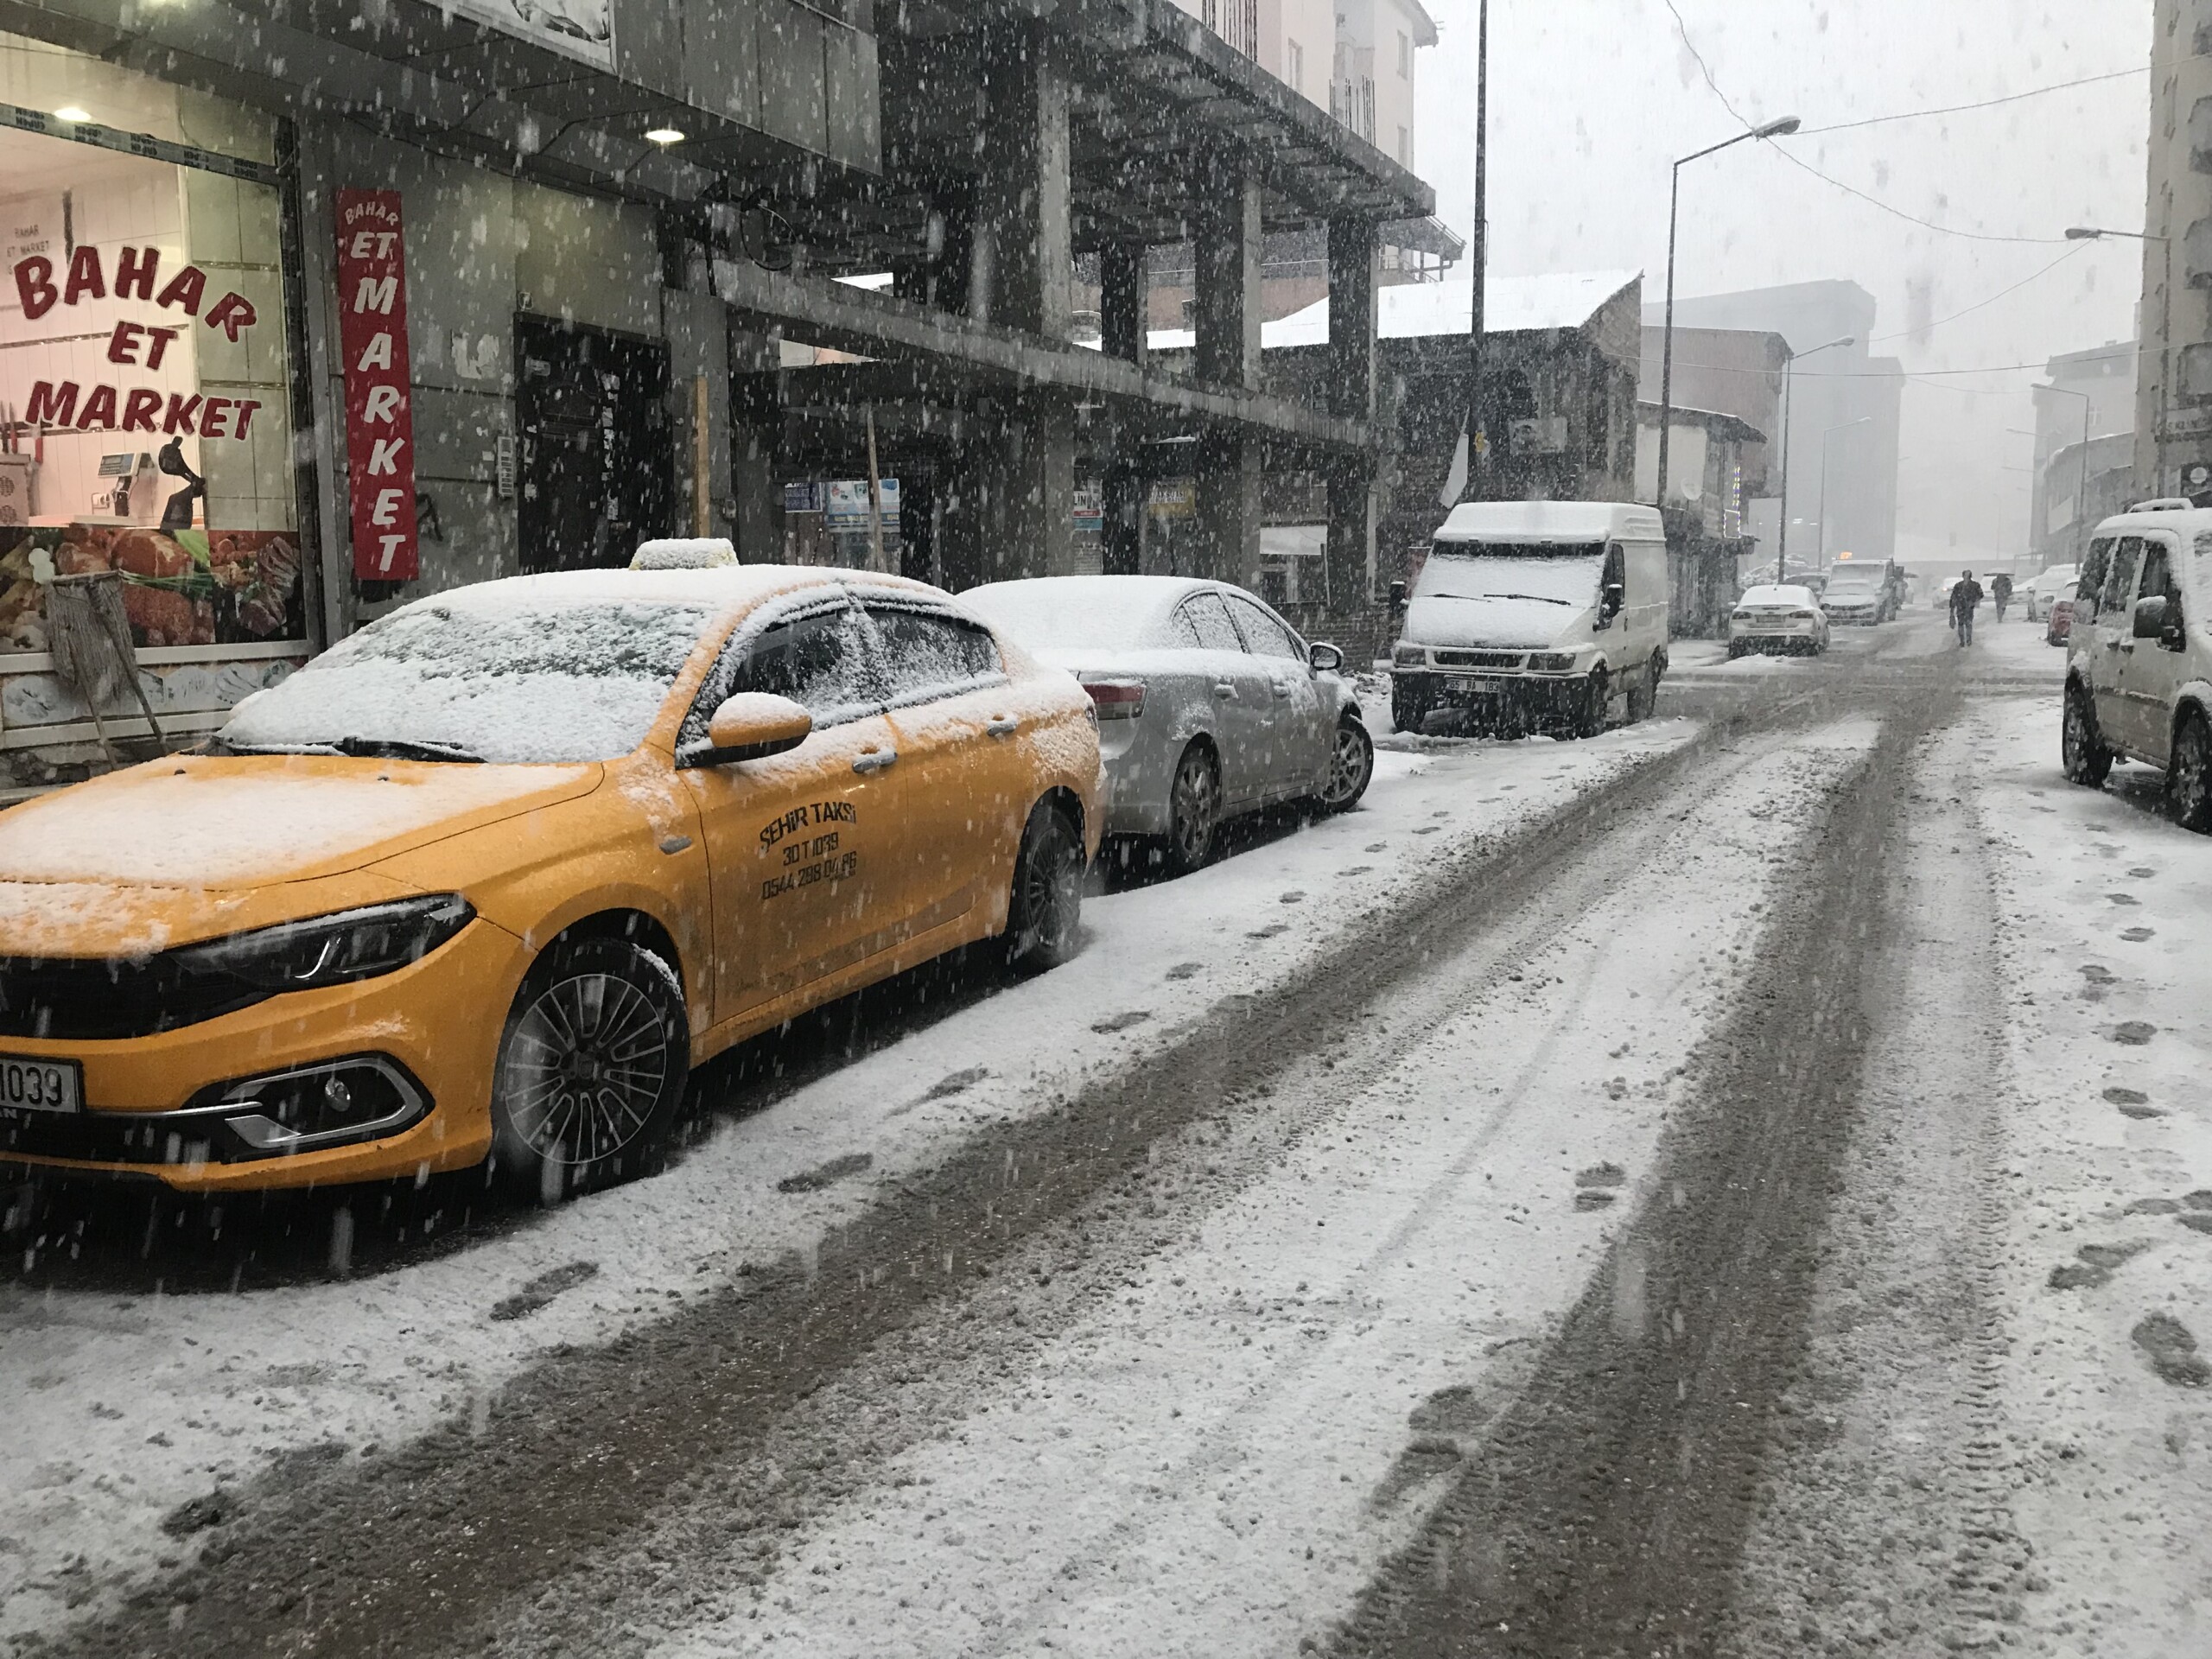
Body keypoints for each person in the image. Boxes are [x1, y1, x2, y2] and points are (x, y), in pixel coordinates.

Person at [1950, 569, 1986, 647]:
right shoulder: (1973, 585)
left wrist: (1952, 608)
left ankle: (1964, 640)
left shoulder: (1959, 586)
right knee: (1966, 624)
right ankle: (1966, 640)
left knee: (1963, 624)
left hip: (1964, 607)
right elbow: (1981, 595)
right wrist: (1973, 601)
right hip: (1966, 607)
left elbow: (1953, 597)